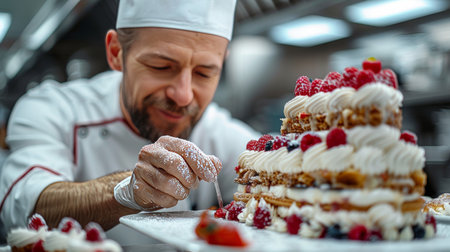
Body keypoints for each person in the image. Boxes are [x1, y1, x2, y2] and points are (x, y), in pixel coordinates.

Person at [0, 0, 259, 238]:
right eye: (161, 66)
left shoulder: (220, 134)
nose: (182, 95)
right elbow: (27, 207)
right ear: (116, 52)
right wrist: (127, 190)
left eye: (204, 73)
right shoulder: (53, 109)